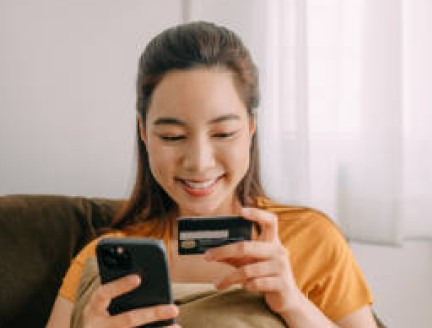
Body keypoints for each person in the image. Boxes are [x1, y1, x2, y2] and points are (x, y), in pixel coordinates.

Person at [46, 21, 376, 328]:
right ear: (143, 133)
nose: (200, 163)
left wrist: (293, 304)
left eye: (223, 134)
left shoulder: (312, 240)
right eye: (173, 136)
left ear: (250, 128)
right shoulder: (104, 259)